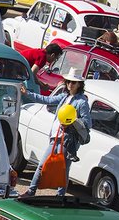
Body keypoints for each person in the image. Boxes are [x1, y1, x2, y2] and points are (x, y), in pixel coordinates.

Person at [19, 68, 90, 197]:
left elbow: (87, 124)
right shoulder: (65, 96)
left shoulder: (81, 102)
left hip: (67, 139)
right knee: (43, 165)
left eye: (73, 83)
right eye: (68, 82)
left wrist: (72, 122)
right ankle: (32, 191)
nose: (70, 85)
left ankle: (57, 195)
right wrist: (28, 94)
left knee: (62, 168)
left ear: (79, 84)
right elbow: (47, 100)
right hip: (55, 136)